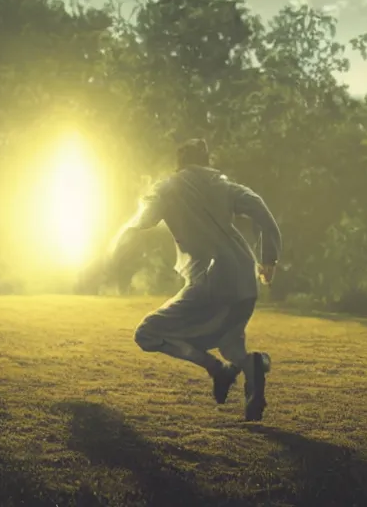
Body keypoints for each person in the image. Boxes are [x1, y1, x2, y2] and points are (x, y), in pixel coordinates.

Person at [104, 138, 281, 422]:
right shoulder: (223, 185)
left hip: (209, 281)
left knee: (147, 333)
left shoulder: (167, 187)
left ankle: (216, 369)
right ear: (206, 161)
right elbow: (258, 206)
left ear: (179, 163)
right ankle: (253, 365)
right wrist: (268, 258)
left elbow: (141, 221)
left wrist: (114, 253)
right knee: (231, 345)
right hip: (245, 280)